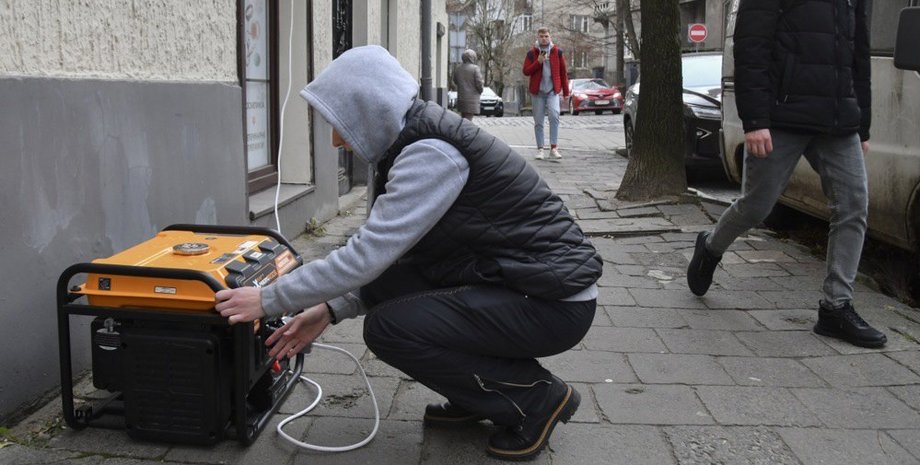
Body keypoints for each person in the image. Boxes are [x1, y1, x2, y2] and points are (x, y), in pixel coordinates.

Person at [215, 45, 602, 461]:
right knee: (404, 302)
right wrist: (328, 310)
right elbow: (404, 262)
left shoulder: (429, 154)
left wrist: (270, 298)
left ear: (371, 109)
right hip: (524, 286)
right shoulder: (412, 142)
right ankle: (481, 398)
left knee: (390, 328)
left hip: (550, 302)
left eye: (341, 122)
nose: (335, 138)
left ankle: (536, 399)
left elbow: (368, 255)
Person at [687, 0, 886, 348]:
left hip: (838, 121)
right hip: (781, 116)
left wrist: (862, 125)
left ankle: (836, 307)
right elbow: (751, 46)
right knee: (756, 206)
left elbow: (858, 55)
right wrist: (756, 120)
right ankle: (711, 246)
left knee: (854, 204)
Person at [522, 27, 569, 161]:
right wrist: (538, 62)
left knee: (554, 116)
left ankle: (553, 148)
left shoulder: (557, 52)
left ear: (550, 37)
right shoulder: (532, 53)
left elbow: (563, 73)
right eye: (541, 36)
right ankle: (540, 149)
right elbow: (526, 71)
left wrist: (565, 92)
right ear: (538, 37)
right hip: (538, 93)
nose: (544, 38)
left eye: (546, 36)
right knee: (538, 121)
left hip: (552, 91)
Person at [453, 49, 484, 120]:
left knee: (464, 118)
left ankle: (462, 130)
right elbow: (479, 83)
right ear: (473, 57)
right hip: (472, 100)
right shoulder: (475, 68)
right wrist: (480, 90)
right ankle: (465, 131)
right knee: (468, 119)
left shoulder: (458, 69)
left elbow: (455, 81)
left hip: (461, 98)